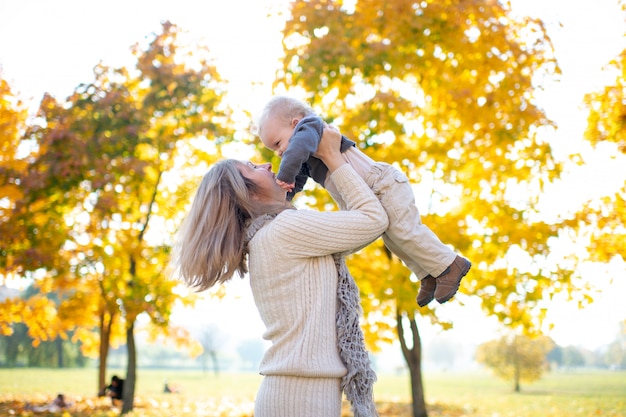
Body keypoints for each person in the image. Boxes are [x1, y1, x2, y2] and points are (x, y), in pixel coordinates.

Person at [171, 126, 387, 416]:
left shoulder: (270, 234)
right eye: (252, 167)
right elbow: (373, 219)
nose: (267, 164)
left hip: (298, 392)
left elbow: (355, 220)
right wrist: (333, 158)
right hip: (301, 397)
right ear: (247, 193)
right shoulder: (285, 230)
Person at [256, 95, 471, 307]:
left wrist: (283, 176)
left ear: (295, 123)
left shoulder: (310, 127)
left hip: (382, 185)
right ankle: (428, 273)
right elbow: (298, 177)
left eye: (277, 143)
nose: (279, 152)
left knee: (406, 231)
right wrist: (285, 193)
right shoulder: (306, 149)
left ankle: (450, 264)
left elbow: (295, 152)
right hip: (375, 192)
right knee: (395, 239)